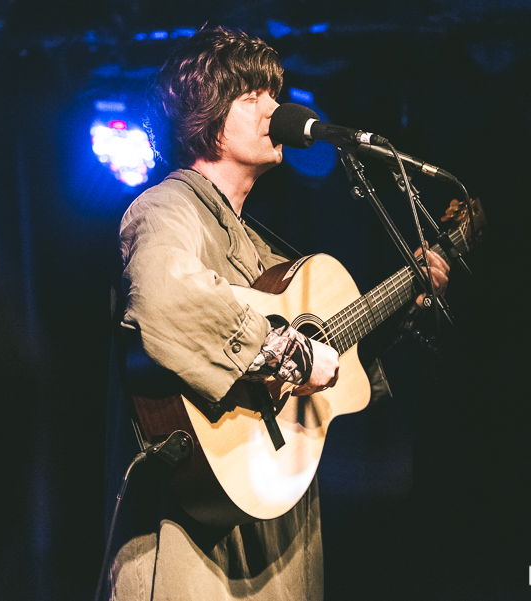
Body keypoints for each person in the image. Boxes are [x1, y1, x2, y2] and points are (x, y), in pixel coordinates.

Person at [109, 27, 450, 600]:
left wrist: (401, 303)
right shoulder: (167, 205)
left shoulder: (259, 246)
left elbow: (331, 359)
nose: (277, 108)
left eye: (275, 92)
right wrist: (286, 353)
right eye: (253, 96)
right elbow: (164, 296)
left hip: (272, 520)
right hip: (193, 539)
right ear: (205, 117)